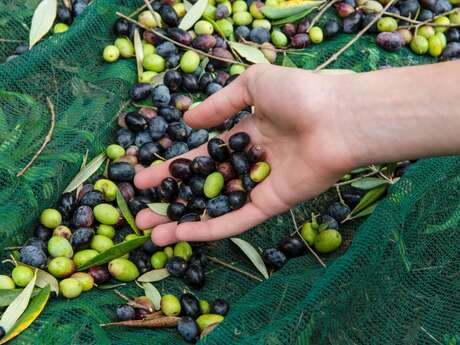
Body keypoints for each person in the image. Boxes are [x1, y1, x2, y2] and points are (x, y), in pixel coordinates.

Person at [134, 61, 460, 246]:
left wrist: (341, 114)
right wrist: (345, 116)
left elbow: (223, 175)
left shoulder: (236, 167)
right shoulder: (227, 169)